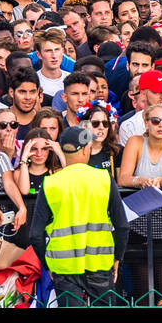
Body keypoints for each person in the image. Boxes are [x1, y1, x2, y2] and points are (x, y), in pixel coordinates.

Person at [29, 126, 129, 306]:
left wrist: (48, 265)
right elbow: (122, 226)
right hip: (99, 263)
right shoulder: (104, 179)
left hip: (63, 267)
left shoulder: (50, 183)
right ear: (85, 149)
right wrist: (117, 259)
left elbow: (35, 235)